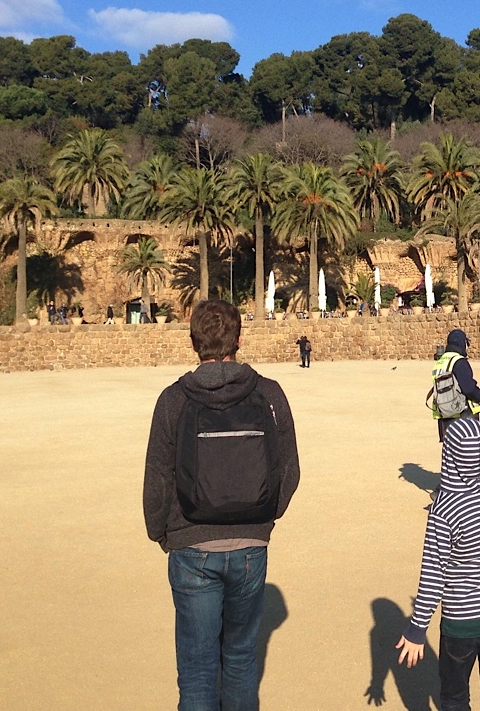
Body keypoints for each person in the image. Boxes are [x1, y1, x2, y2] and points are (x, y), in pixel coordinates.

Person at [143, 299, 301, 709]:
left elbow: (158, 478)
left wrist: (163, 534)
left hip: (190, 544)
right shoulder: (269, 393)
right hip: (250, 545)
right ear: (239, 340)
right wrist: (263, 519)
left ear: (193, 342)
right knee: (241, 658)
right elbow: (289, 470)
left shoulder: (173, 399)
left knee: (197, 667)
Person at [395, 418, 480, 711]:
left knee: (454, 699)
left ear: (449, 456)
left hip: (461, 622)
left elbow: (433, 574)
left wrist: (417, 629)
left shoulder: (444, 509)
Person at [431, 329, 480, 441]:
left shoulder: (440, 362)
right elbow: (468, 388)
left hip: (444, 415)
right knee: (468, 448)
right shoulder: (459, 361)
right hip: (462, 415)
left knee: (450, 449)